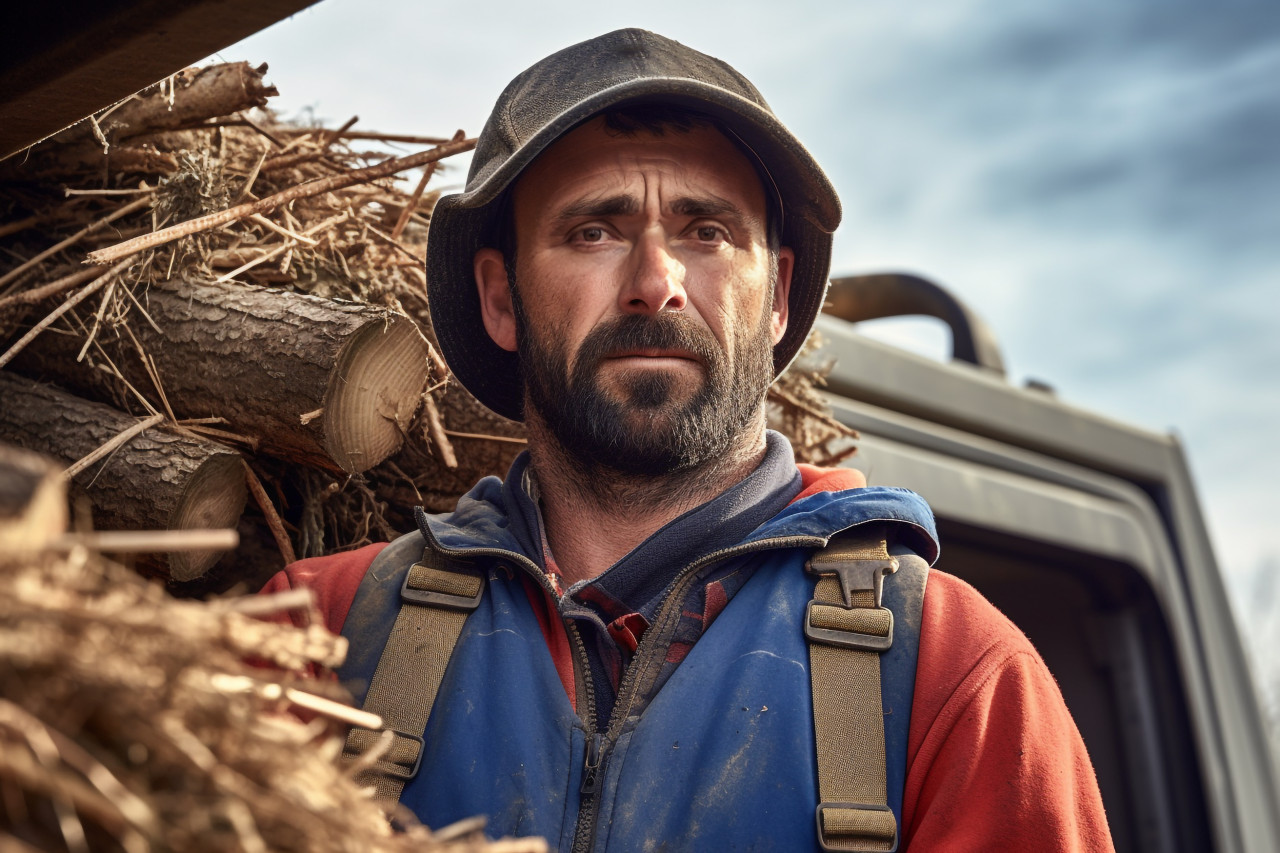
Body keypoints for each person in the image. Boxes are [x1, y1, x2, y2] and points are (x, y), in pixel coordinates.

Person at [262, 28, 1115, 852]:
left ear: (778, 296)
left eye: (707, 231)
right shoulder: (318, 632)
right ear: (499, 297)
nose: (655, 283)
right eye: (594, 230)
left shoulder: (958, 675)